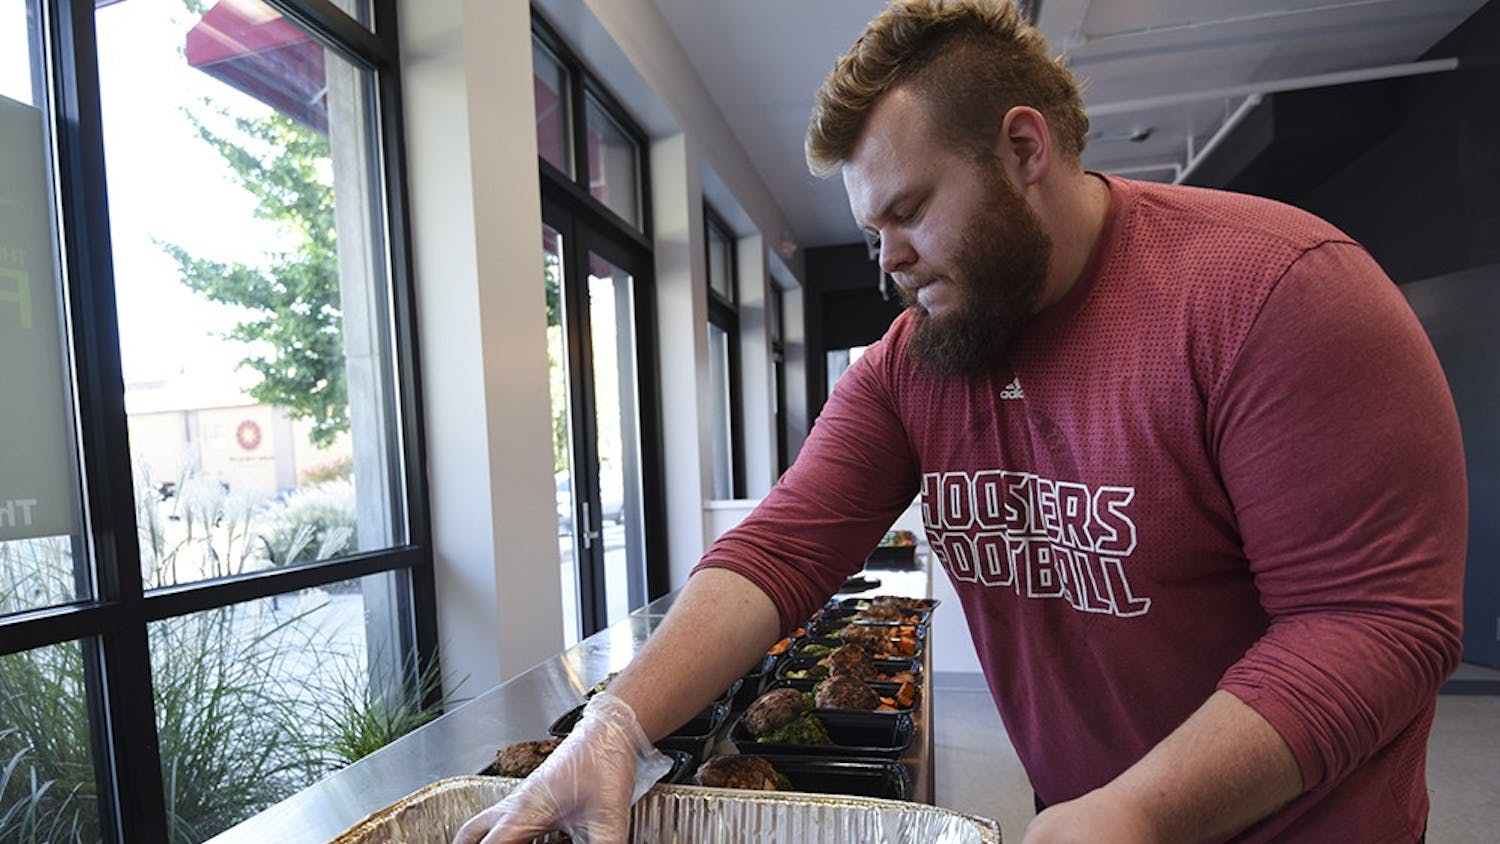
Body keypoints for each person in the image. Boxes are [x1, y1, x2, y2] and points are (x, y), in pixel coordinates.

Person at [455, 0, 1466, 841]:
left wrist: (1142, 811)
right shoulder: (918, 360)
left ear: (1023, 149)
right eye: (870, 232)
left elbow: (1373, 623)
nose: (886, 258)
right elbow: (780, 547)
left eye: (908, 210)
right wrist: (617, 719)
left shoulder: (1273, 292)